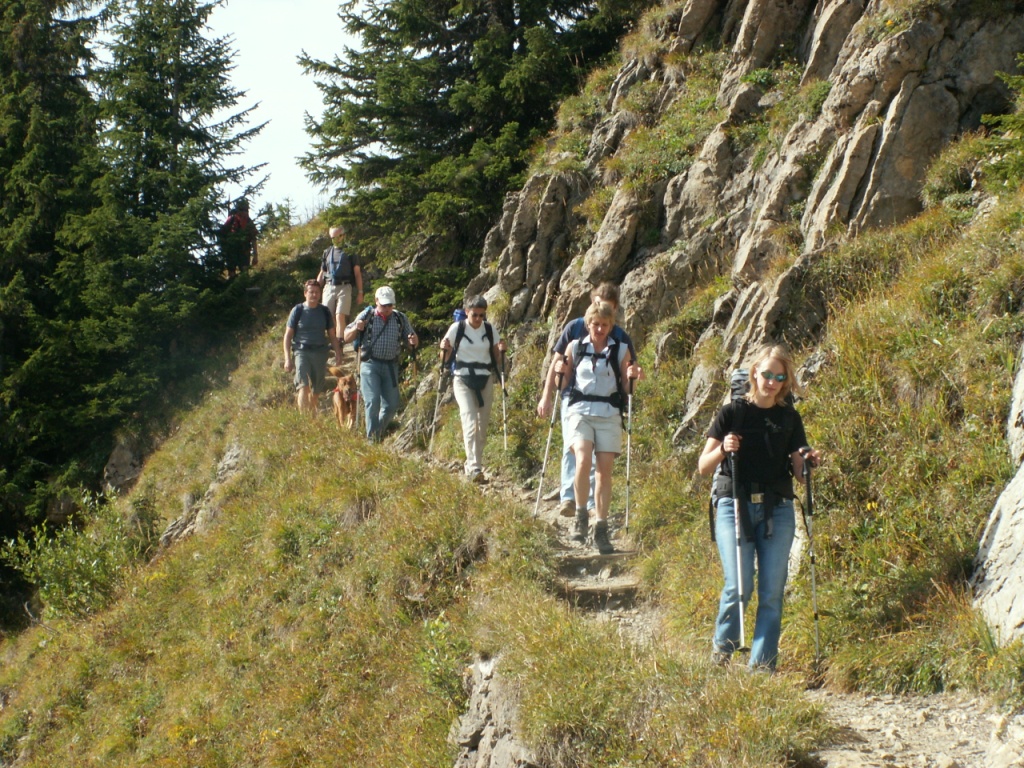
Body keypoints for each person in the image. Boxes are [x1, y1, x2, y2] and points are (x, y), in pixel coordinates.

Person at [697, 344, 822, 672]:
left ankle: (762, 668)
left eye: (780, 378)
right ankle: (722, 651)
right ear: (754, 373)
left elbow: (799, 472)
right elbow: (703, 466)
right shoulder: (732, 413)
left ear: (785, 381)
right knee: (739, 585)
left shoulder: (789, 418)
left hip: (777, 508)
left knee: (771, 592)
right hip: (733, 505)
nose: (772, 382)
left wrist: (809, 461)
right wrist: (723, 449)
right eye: (767, 374)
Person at [545, 301, 642, 554]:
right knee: (583, 459)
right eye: (595, 324)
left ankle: (600, 527)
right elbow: (563, 384)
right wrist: (559, 372)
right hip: (580, 411)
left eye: (604, 325)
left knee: (604, 472)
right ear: (588, 324)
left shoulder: (621, 350)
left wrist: (632, 378)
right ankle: (580, 517)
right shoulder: (575, 346)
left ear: (611, 326)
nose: (599, 329)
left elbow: (627, 390)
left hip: (609, 413)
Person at [440, 296, 507, 483]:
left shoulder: (489, 329)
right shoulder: (457, 328)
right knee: (470, 421)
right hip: (462, 379)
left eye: (481, 315)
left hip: (485, 378)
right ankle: (473, 467)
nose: (478, 318)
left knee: (482, 425)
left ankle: (475, 463)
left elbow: (496, 359)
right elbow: (445, 358)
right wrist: (444, 348)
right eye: (474, 314)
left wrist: (502, 349)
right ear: (467, 312)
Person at [344, 285, 419, 441]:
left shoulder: (400, 318)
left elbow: (412, 341)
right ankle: (372, 440)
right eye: (384, 305)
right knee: (372, 401)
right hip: (370, 364)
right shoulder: (367, 315)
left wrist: (413, 340)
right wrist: (357, 328)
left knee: (392, 404)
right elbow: (347, 337)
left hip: (391, 366)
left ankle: (376, 432)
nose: (387, 308)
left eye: (390, 305)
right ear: (376, 301)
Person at [283, 279, 343, 416]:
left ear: (320, 294)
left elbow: (332, 335)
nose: (314, 295)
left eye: (317, 292)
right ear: (305, 293)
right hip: (301, 351)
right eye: (311, 292)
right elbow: (287, 336)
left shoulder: (324, 311)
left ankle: (311, 417)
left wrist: (338, 353)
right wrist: (287, 358)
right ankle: (304, 418)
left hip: (320, 353)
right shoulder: (298, 310)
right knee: (303, 385)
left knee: (316, 390)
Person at [317, 225, 364, 343]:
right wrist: (315, 288)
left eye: (337, 237)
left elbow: (357, 273)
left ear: (343, 236)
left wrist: (360, 292)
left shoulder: (350, 252)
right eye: (332, 237)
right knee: (329, 316)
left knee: (340, 315)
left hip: (345, 286)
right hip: (329, 286)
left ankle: (340, 343)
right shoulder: (327, 252)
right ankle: (333, 341)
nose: (335, 240)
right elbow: (322, 272)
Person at [219, 199, 259, 278]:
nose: (244, 212)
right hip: (231, 250)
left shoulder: (249, 222)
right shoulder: (231, 220)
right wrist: (224, 249)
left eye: (246, 210)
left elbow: (253, 238)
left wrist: (255, 255)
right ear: (238, 210)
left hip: (244, 250)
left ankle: (244, 284)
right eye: (242, 210)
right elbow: (222, 234)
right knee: (231, 273)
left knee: (244, 272)